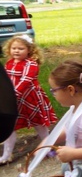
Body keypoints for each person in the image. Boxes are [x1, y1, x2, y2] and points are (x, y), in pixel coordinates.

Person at [1, 35, 57, 165]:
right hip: (14, 101)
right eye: (14, 48)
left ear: (29, 50)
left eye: (21, 48)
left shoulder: (31, 64)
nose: (16, 51)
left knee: (39, 125)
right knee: (11, 125)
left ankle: (48, 148)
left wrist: (13, 93)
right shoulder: (9, 63)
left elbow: (26, 79)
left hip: (30, 99)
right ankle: (6, 155)